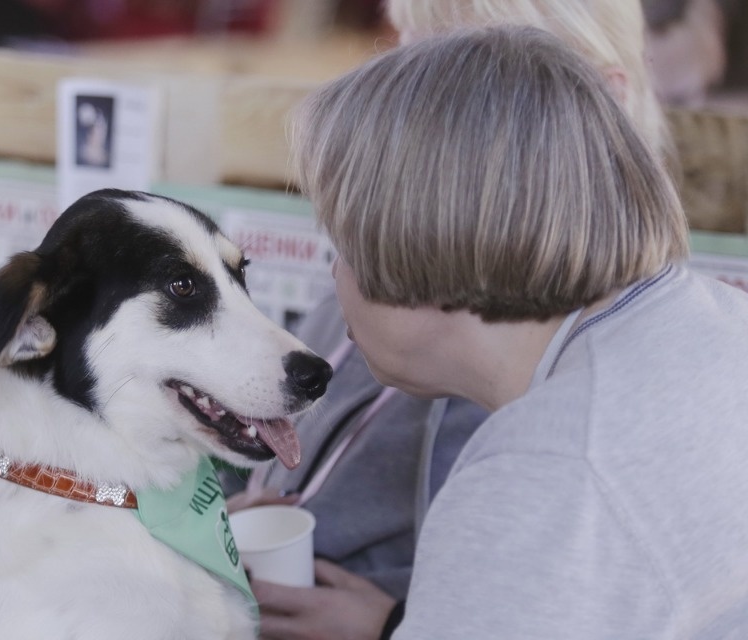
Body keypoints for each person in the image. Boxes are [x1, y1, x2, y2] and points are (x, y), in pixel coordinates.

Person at [227, 2, 675, 638]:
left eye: (463, 78)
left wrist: (393, 625)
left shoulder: (545, 463)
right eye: (404, 54)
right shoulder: (672, 322)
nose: (411, 96)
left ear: (597, 100)